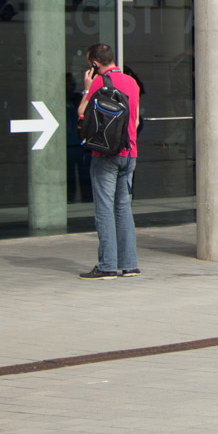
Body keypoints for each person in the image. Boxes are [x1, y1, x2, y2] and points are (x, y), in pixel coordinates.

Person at [76, 44, 141, 279]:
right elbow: (134, 122)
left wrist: (86, 89)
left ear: (95, 64)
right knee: (123, 208)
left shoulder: (98, 82)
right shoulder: (132, 82)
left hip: (105, 154)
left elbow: (82, 112)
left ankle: (107, 266)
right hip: (129, 153)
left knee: (104, 209)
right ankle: (130, 264)